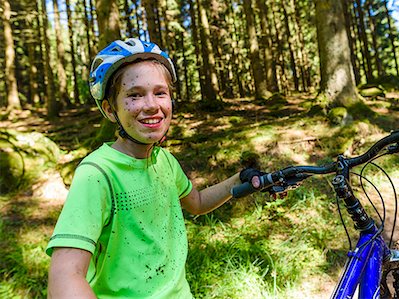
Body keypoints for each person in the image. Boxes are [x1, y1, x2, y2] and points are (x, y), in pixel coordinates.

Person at [46, 38, 262, 298]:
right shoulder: (96, 173)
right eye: (134, 95)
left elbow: (198, 203)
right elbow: (65, 275)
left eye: (160, 93)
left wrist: (239, 179)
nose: (151, 105)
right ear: (110, 109)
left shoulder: (164, 161)